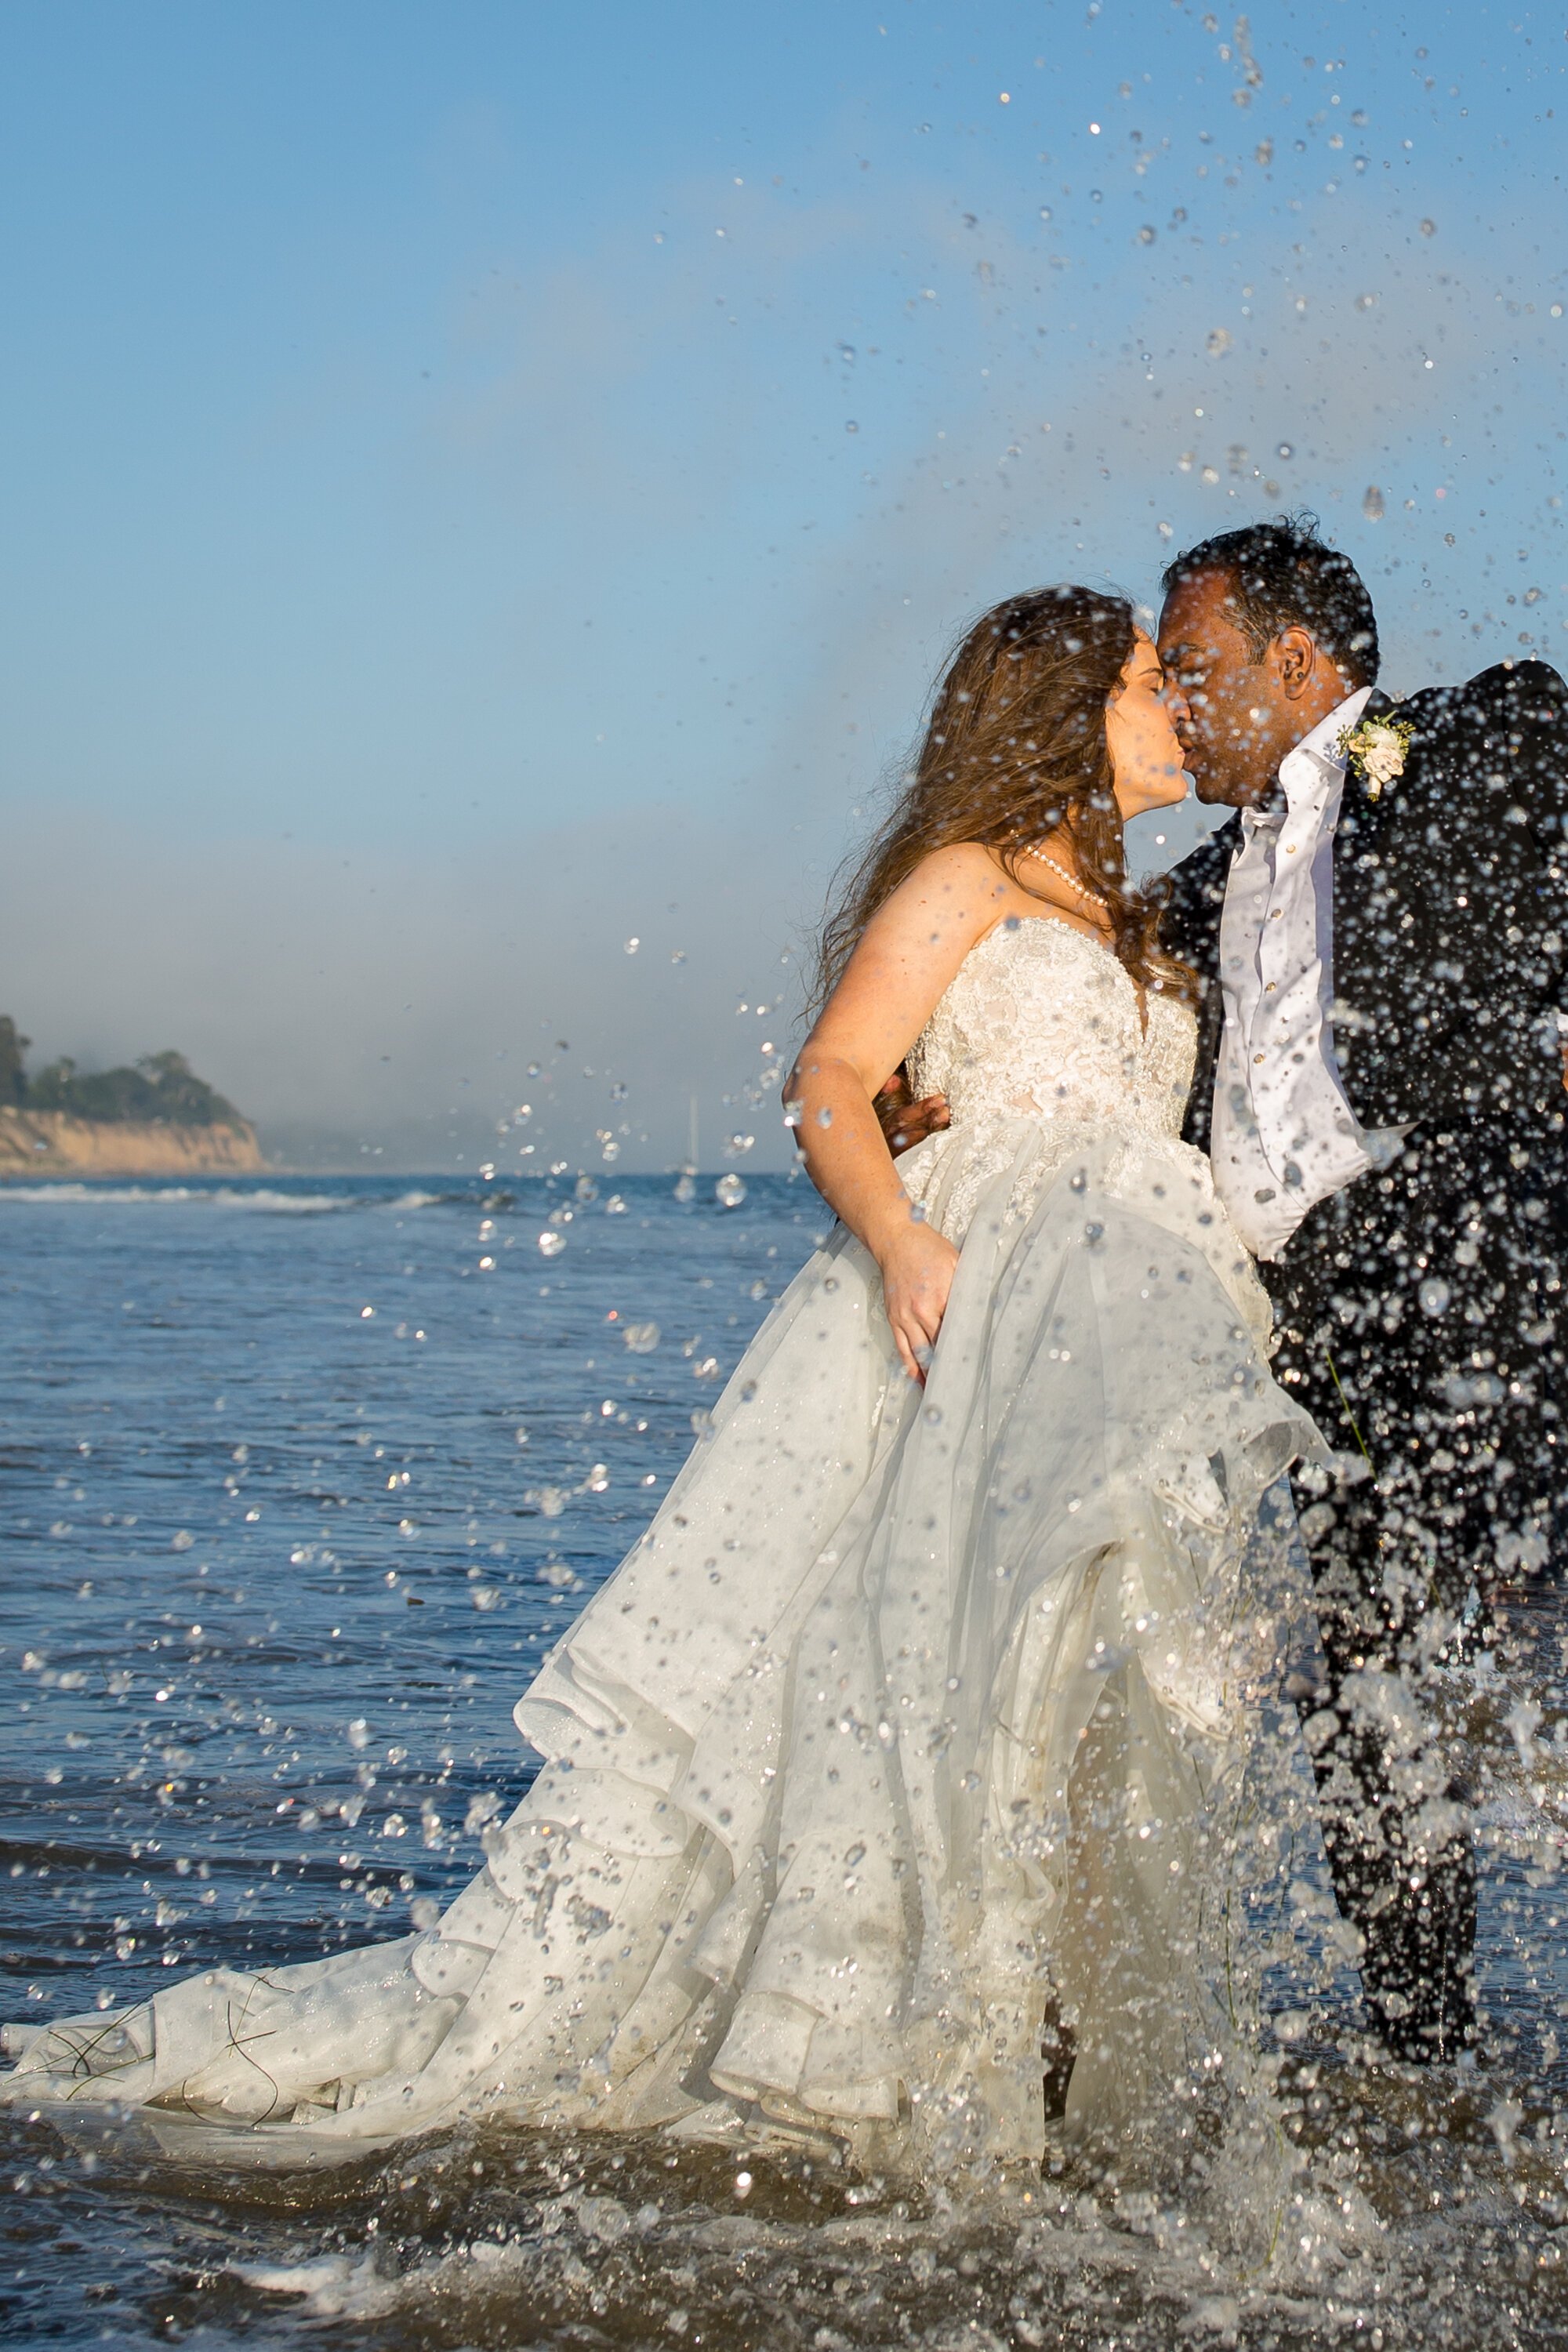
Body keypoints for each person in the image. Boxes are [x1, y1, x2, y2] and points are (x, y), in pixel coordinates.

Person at [2, 590, 1319, 2171]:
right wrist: (901, 1239)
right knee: (874, 1671)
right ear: (1057, 709)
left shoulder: (1146, 920)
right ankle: (870, 2039)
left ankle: (1009, 2030)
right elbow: (832, 1080)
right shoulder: (966, 879)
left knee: (1051, 1672)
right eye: (1139, 681)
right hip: (951, 1312)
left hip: (1084, 1353)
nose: (1176, 703)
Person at [1156, 518, 1568, 2063]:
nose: (1170, 701)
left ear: (1297, 660)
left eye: (1189, 668)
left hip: (1487, 1303)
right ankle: (1429, 2056)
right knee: (1369, 1708)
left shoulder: (1477, 741)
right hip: (1318, 1346)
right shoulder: (1199, 884)